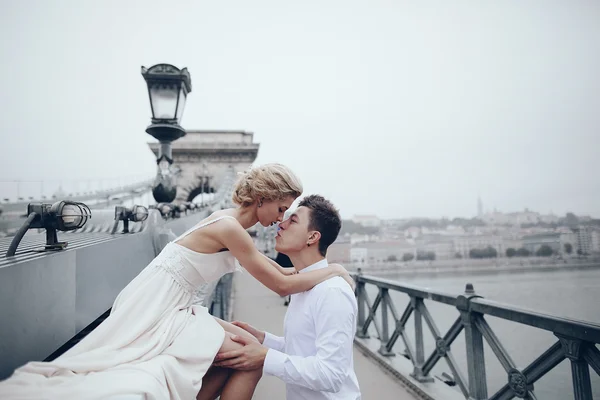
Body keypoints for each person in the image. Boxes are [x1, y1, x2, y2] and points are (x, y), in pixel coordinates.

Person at [0, 164, 353, 400]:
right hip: (159, 304)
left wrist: (311, 273)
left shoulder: (231, 222)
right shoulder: (231, 228)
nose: (280, 220)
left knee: (245, 345)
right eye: (280, 210)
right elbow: (280, 284)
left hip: (172, 301)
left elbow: (281, 273)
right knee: (252, 356)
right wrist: (334, 271)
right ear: (262, 199)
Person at [214, 195, 361, 399]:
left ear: (312, 237)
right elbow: (302, 350)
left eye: (292, 221)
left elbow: (332, 375)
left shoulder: (332, 292)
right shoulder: (304, 284)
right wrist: (264, 340)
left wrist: (265, 357)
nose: (281, 224)